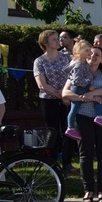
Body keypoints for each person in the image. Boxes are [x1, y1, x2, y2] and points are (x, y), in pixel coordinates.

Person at [62, 46, 102, 202]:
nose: (93, 56)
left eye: (97, 54)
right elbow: (65, 93)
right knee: (86, 154)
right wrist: (86, 98)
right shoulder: (78, 69)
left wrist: (92, 93)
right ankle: (88, 189)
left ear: (101, 59)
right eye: (90, 53)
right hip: (83, 117)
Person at [33, 30, 73, 172]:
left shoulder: (66, 58)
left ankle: (67, 162)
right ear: (45, 43)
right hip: (48, 100)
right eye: (54, 39)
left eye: (58, 39)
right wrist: (60, 95)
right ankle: (52, 161)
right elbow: (42, 85)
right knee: (53, 131)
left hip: (67, 99)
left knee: (68, 130)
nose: (58, 42)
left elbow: (73, 77)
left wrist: (66, 95)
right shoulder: (40, 61)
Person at [64, 39, 102, 141]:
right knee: (98, 99)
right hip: (79, 88)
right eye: (87, 51)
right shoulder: (79, 64)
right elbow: (77, 79)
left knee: (74, 109)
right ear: (80, 52)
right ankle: (99, 117)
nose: (90, 53)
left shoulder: (81, 63)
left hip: (78, 88)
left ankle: (70, 128)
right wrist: (88, 87)